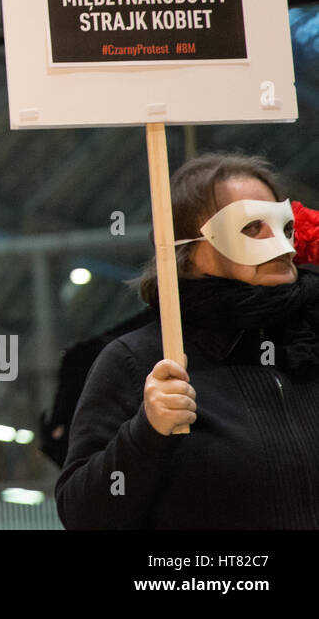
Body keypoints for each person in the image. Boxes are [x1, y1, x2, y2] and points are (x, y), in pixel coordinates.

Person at [57, 152, 319, 528]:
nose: (282, 244)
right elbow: (83, 515)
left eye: (286, 227)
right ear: (188, 251)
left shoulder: (310, 346)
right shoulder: (138, 361)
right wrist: (146, 433)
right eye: (251, 227)